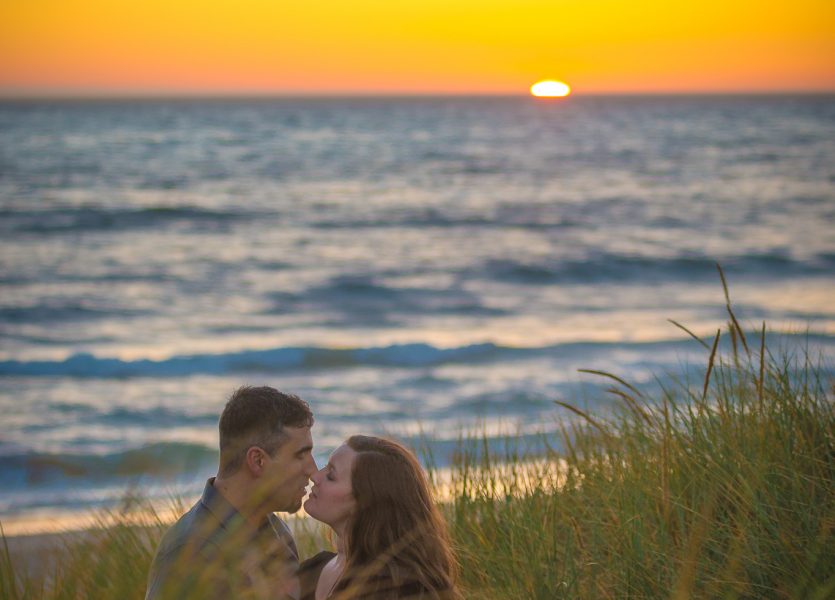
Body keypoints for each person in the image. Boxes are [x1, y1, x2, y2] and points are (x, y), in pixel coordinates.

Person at [146, 385, 317, 600]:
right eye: (300, 456)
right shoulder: (191, 551)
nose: (313, 470)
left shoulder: (277, 534)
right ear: (257, 461)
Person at [299, 435, 460, 600]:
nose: (315, 477)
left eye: (331, 476)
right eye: (326, 466)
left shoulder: (399, 588)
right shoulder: (311, 572)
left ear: (365, 502)